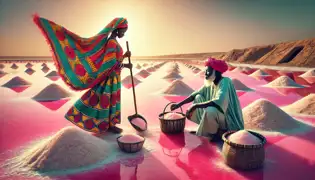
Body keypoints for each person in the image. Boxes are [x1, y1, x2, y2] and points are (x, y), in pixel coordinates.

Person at [33, 15, 133, 134]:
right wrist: (126, 65)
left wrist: (124, 56)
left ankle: (110, 124)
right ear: (118, 29)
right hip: (110, 78)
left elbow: (115, 60)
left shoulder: (113, 42)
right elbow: (110, 64)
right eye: (123, 31)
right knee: (105, 100)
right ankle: (105, 124)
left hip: (114, 77)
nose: (124, 34)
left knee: (109, 100)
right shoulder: (111, 43)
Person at [171, 57, 244, 141]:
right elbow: (194, 95)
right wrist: (179, 104)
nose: (205, 73)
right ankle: (206, 129)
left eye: (208, 71)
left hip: (228, 120)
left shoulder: (225, 81)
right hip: (219, 116)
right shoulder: (211, 83)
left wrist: (195, 106)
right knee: (198, 97)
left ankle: (215, 134)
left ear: (216, 72)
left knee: (211, 110)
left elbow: (219, 101)